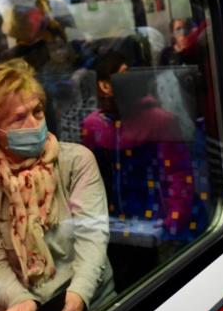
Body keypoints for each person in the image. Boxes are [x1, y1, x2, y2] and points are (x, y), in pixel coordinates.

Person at [0, 59, 114, 311]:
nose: (35, 124)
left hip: (92, 296)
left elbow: (92, 235)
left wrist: (79, 292)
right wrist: (19, 299)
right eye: (19, 118)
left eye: (37, 111)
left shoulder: (75, 161)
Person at [80, 50, 197, 291]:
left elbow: (178, 176)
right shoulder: (93, 125)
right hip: (111, 227)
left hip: (153, 227)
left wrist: (172, 224)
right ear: (104, 85)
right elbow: (89, 179)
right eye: (121, 78)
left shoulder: (159, 120)